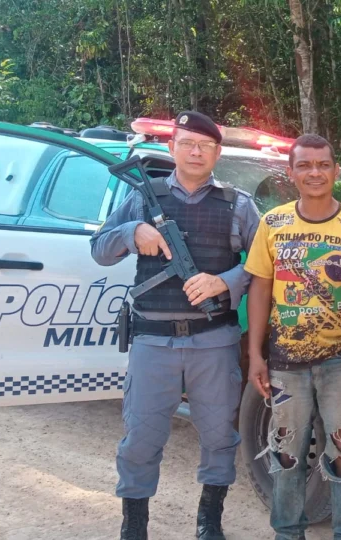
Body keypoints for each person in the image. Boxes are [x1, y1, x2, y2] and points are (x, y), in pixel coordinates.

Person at [90, 111, 261, 540]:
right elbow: (99, 249)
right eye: (187, 143)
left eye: (205, 145)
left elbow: (266, 267)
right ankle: (134, 525)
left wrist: (224, 280)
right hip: (152, 340)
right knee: (141, 437)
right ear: (172, 149)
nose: (196, 151)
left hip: (214, 341)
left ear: (217, 152)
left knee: (220, 435)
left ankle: (210, 521)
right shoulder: (141, 200)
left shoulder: (238, 204)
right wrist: (133, 233)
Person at [244, 134, 341, 540]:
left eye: (323, 164)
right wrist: (255, 354)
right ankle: (287, 533)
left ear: (336, 170)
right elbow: (260, 289)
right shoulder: (273, 223)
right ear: (291, 173)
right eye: (304, 165)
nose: (315, 172)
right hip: (285, 363)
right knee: (286, 454)